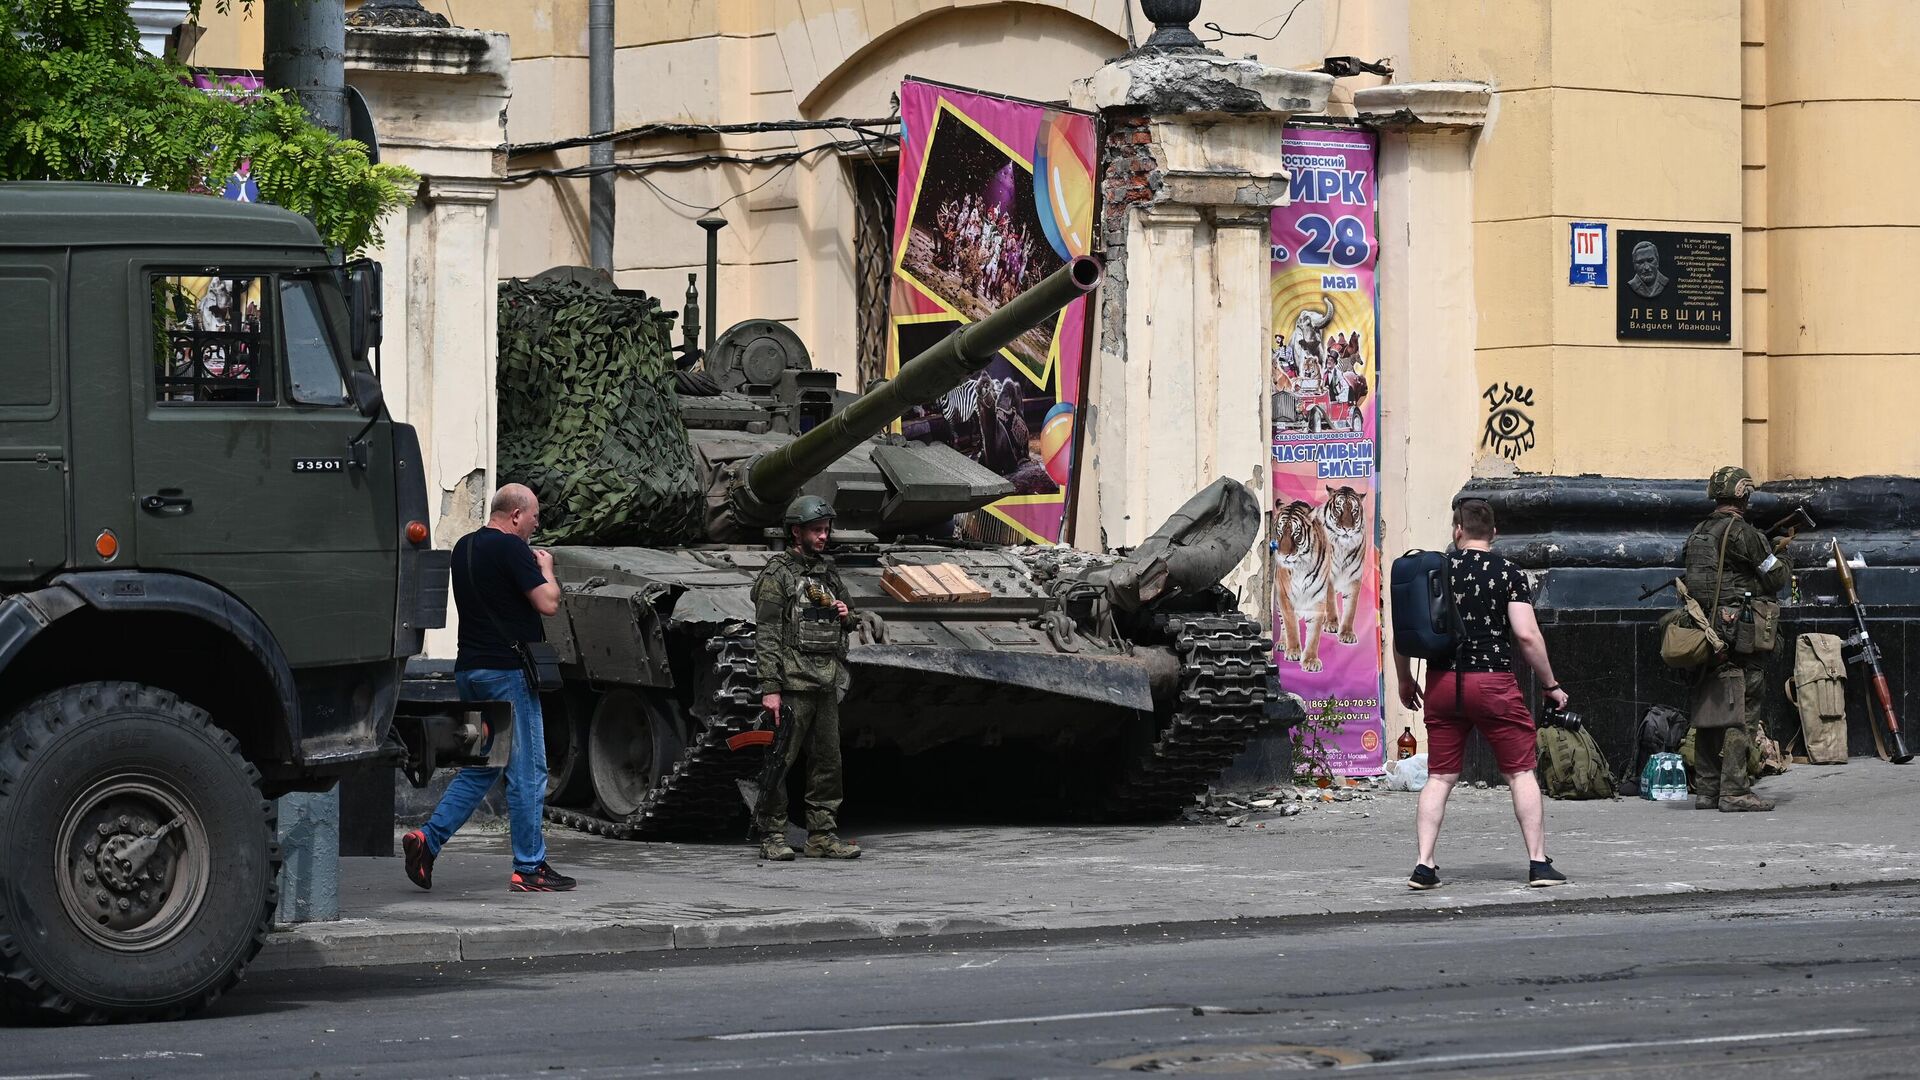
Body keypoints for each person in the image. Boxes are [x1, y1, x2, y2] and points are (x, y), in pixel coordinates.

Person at [403, 484, 576, 893]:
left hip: (471, 671)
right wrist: (547, 569)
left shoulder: (463, 547)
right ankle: (530, 867)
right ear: (516, 515)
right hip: (508, 674)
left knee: (486, 767)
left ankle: (427, 840)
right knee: (529, 771)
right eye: (533, 518)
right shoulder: (512, 549)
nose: (535, 526)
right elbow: (548, 602)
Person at [1394, 498, 1569, 891]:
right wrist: (1550, 684)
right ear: (1493, 533)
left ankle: (1424, 865)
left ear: (1457, 530)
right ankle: (1538, 864)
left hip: (1442, 684)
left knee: (1439, 777)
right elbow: (1526, 635)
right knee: (1520, 772)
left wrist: (1406, 680)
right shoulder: (1507, 572)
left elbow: (1405, 633)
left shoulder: (1432, 571)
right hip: (1492, 684)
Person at [751, 495, 862, 862]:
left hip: (824, 683)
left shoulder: (827, 573)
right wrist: (771, 687)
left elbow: (849, 620)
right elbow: (766, 633)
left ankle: (822, 834)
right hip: (793, 682)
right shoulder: (777, 576)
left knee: (828, 762)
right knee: (779, 760)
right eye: (816, 530)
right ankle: (772, 833)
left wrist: (846, 614)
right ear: (796, 531)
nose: (823, 537)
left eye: (826, 530)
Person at [1682, 466, 1791, 812]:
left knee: (1710, 706)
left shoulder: (1699, 532)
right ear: (1744, 495)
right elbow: (1775, 578)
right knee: (1742, 710)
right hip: (1738, 634)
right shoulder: (1743, 532)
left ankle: (1707, 790)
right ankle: (1735, 790)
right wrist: (1781, 551)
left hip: (1704, 631)